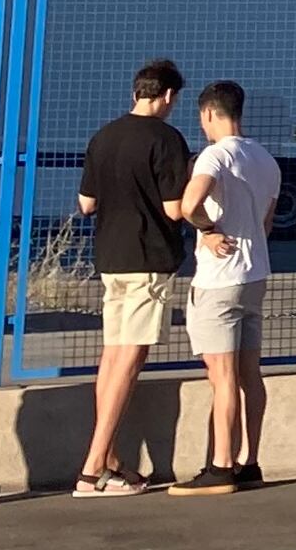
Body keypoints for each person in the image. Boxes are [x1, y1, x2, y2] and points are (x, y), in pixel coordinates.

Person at [71, 59, 192, 496]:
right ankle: (91, 467)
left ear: (134, 91)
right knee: (128, 360)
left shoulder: (104, 136)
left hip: (110, 257)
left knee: (112, 357)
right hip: (149, 258)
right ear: (167, 97)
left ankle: (111, 460)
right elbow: (175, 209)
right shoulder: (167, 139)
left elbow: (86, 202)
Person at [166, 79, 280, 493]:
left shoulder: (214, 156)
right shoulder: (265, 159)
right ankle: (250, 461)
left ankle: (220, 466)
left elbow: (188, 206)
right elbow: (265, 224)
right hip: (255, 275)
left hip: (219, 280)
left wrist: (208, 230)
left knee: (223, 376)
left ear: (209, 113)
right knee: (251, 374)